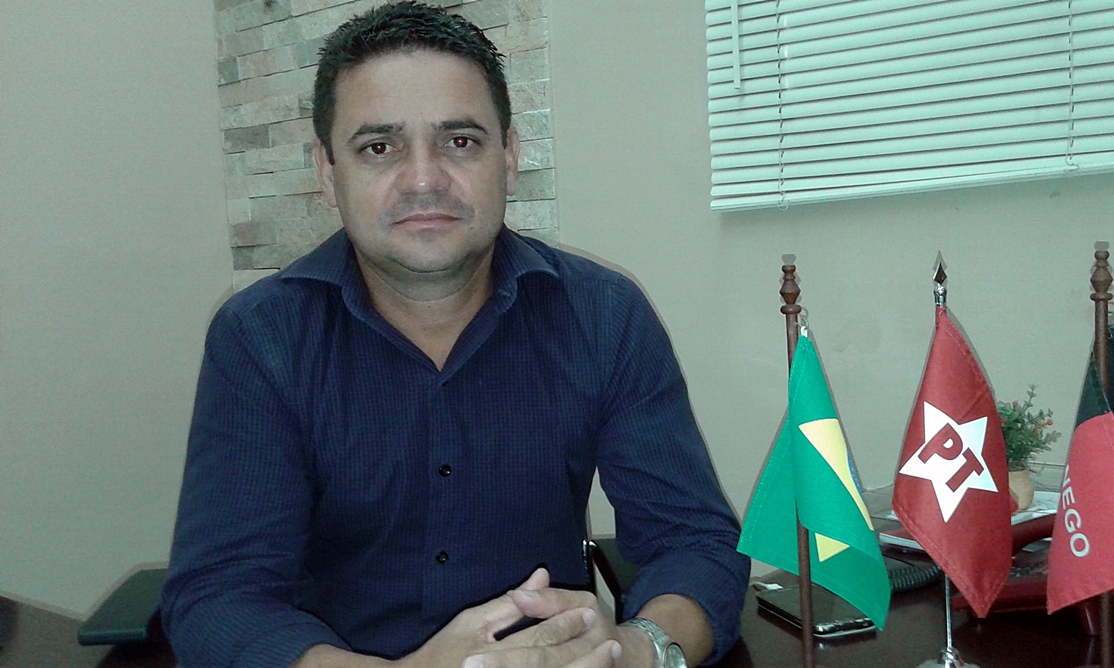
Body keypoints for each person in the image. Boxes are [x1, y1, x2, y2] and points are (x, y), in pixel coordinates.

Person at [159, 3, 749, 668]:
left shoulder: (603, 316)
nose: (423, 179)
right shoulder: (261, 339)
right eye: (379, 147)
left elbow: (696, 543)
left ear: (509, 157)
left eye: (460, 141)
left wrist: (637, 650)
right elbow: (217, 596)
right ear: (327, 172)